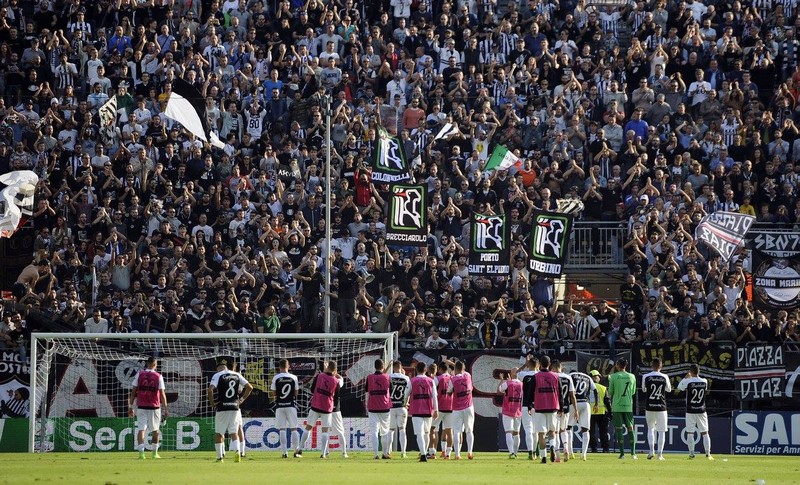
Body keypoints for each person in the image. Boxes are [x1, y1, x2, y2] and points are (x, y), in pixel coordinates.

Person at [208, 359, 253, 462]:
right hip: (235, 407)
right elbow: (250, 387)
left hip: (222, 406)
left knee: (219, 433)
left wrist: (212, 403)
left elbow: (210, 390)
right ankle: (237, 452)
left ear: (221, 368)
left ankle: (219, 457)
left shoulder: (218, 375)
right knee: (234, 432)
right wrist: (241, 400)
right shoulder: (236, 375)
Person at [295, 360, 342, 458]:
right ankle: (323, 453)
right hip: (327, 408)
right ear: (335, 370)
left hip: (316, 405)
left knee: (308, 427)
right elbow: (336, 397)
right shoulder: (336, 381)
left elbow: (312, 390)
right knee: (325, 430)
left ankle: (299, 449)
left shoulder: (319, 376)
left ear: (327, 367)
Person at [128, 357, 167, 460]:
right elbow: (162, 394)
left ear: (147, 364)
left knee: (141, 429)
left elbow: (133, 392)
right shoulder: (158, 376)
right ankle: (154, 453)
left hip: (141, 406)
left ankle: (141, 454)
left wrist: (130, 406)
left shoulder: (139, 374)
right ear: (154, 364)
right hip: (154, 407)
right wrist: (166, 409)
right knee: (156, 430)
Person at [529, 355, 562, 464]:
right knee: (552, 432)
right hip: (553, 406)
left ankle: (543, 457)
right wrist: (561, 407)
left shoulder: (536, 376)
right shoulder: (556, 376)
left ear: (540, 364)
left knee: (541, 434)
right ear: (550, 364)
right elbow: (560, 393)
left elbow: (530, 393)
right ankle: (552, 447)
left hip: (539, 407)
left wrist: (529, 405)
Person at [677, 363, 713, 460]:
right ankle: (708, 454)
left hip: (690, 410)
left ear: (690, 372)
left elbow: (679, 387)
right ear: (699, 371)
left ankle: (691, 453)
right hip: (701, 409)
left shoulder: (688, 382)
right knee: (705, 433)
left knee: (690, 433)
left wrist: (685, 377)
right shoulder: (704, 381)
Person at [642, 357, 672, 460]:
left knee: (650, 429)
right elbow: (668, 389)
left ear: (652, 365)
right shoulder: (665, 376)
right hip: (661, 406)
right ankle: (660, 454)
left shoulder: (646, 376)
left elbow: (644, 389)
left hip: (649, 406)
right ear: (661, 366)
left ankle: (651, 451)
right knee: (661, 431)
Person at [608, 358, 638, 459]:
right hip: (628, 405)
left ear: (617, 365)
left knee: (619, 429)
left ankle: (622, 454)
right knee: (630, 428)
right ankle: (633, 454)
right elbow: (633, 391)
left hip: (616, 406)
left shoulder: (613, 377)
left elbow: (610, 392)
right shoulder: (632, 376)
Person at [409, 361, 438, 462]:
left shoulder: (412, 380)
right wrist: (436, 410)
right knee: (426, 433)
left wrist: (405, 403)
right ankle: (424, 453)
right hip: (428, 409)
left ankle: (423, 454)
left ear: (416, 370)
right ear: (426, 370)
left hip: (416, 410)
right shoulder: (431, 381)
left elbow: (406, 393)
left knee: (419, 433)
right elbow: (435, 396)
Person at [270, 359, 300, 458]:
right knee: (294, 429)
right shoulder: (293, 377)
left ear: (279, 367)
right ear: (289, 366)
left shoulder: (276, 378)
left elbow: (273, 393)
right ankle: (296, 452)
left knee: (282, 429)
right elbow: (296, 392)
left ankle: (284, 453)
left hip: (280, 406)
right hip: (291, 405)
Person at [448, 360, 475, 460]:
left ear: (455, 369)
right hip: (468, 407)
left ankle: (457, 454)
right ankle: (470, 452)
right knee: (469, 430)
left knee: (457, 431)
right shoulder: (468, 375)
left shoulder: (453, 379)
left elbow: (448, 392)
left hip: (457, 408)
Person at [366, 358, 392, 459]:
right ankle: (385, 453)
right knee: (385, 431)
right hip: (385, 407)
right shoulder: (387, 377)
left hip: (372, 407)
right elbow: (391, 389)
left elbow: (366, 390)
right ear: (383, 366)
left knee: (374, 431)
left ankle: (376, 454)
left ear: (374, 366)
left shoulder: (369, 377)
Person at [569, 369, 598, 460]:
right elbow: (595, 390)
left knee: (568, 427)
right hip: (585, 404)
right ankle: (583, 454)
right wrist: (596, 404)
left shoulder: (570, 375)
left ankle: (570, 452)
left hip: (574, 403)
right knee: (585, 430)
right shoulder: (588, 377)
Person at [553, 360, 578, 461]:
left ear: (553, 368)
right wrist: (576, 410)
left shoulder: (553, 376)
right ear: (561, 367)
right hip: (566, 407)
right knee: (564, 430)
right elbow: (572, 395)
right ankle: (566, 448)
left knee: (555, 432)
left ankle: (558, 456)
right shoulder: (568, 377)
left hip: (555, 407)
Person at [517, 355, 540, 460]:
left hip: (526, 405)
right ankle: (535, 452)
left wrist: (524, 364)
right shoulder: (540, 375)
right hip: (539, 406)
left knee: (528, 430)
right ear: (538, 365)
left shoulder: (524, 375)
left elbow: (516, 373)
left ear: (528, 365)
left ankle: (530, 452)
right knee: (536, 431)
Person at [498, 367, 524, 459]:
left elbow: (499, 391)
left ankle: (512, 452)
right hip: (518, 411)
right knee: (517, 433)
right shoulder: (522, 384)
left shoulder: (507, 384)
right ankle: (516, 453)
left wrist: (502, 380)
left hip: (507, 411)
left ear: (511, 374)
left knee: (508, 432)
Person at [388, 360, 411, 457]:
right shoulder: (406, 378)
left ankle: (388, 451)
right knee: (402, 429)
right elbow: (409, 392)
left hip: (391, 406)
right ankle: (403, 452)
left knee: (390, 430)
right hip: (402, 406)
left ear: (393, 368)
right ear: (401, 368)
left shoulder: (389, 377)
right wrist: (406, 402)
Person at [431, 361, 453, 459]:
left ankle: (432, 452)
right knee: (449, 431)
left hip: (439, 408)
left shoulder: (438, 378)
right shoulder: (452, 378)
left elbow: (432, 391)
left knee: (432, 429)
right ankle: (448, 454)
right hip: (450, 407)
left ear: (440, 369)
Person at [589, 369, 610, 453]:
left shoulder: (586, 387)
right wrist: (610, 412)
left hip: (590, 412)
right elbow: (607, 401)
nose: (599, 378)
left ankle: (594, 448)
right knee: (603, 432)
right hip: (601, 412)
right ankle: (605, 449)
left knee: (591, 432)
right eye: (598, 376)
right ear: (596, 377)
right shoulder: (603, 388)